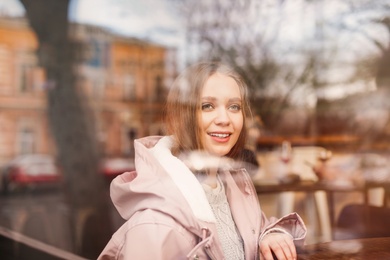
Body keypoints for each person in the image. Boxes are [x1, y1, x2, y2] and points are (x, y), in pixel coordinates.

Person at [98, 62, 306, 260]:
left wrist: (270, 234)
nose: (224, 119)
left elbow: (254, 232)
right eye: (207, 106)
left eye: (234, 106)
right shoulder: (153, 224)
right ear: (183, 115)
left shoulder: (233, 186)